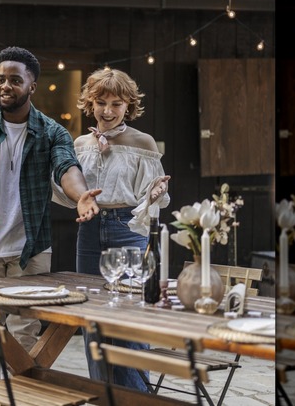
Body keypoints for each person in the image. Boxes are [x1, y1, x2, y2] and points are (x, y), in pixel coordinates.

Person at [0, 46, 100, 397]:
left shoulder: (52, 132)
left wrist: (80, 194)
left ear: (32, 86)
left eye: (15, 80)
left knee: (24, 329)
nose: (6, 86)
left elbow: (66, 166)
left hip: (32, 249)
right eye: (1, 79)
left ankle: (16, 397)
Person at [53, 67, 170, 391]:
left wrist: (155, 194)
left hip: (128, 229)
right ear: (89, 103)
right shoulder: (79, 144)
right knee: (92, 317)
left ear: (128, 106)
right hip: (89, 233)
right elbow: (67, 191)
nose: (107, 110)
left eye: (116, 103)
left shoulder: (142, 142)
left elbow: (152, 195)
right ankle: (105, 394)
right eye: (101, 102)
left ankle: (137, 397)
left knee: (128, 318)